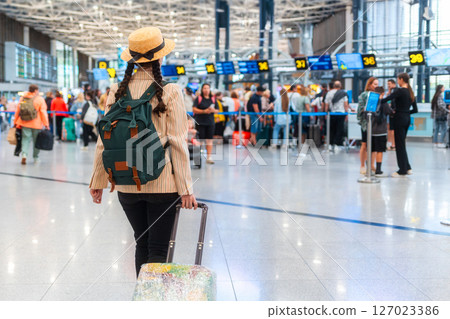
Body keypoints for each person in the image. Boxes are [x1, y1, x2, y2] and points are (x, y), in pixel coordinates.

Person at [89, 26, 197, 277]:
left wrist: (98, 180)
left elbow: (103, 141)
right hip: (162, 183)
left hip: (125, 184)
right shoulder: (169, 90)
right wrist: (187, 189)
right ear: (160, 57)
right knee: (159, 249)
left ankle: (143, 300)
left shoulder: (115, 90)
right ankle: (154, 304)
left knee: (142, 243)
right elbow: (178, 141)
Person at [381, 73, 418, 177]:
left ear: (401, 79)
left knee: (399, 145)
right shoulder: (411, 92)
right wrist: (405, 113)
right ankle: (408, 167)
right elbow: (415, 110)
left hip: (399, 120)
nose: (397, 81)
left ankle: (402, 170)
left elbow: (386, 99)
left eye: (398, 79)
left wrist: (378, 100)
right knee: (402, 144)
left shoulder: (400, 91)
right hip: (407, 119)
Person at [13, 84, 50, 165]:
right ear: (36, 90)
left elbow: (18, 111)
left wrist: (15, 122)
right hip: (36, 124)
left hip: (24, 123)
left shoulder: (23, 98)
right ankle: (35, 157)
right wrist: (46, 124)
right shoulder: (40, 99)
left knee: (25, 140)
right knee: (36, 141)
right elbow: (43, 112)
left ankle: (24, 155)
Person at [193, 83, 219, 164]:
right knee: (200, 140)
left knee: (209, 140)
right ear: (202, 89)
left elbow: (217, 110)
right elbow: (194, 109)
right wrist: (204, 111)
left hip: (210, 122)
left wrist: (212, 110)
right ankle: (198, 158)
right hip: (200, 122)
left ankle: (209, 157)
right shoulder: (199, 98)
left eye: (208, 88)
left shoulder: (213, 99)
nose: (206, 90)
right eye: (204, 88)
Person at [357, 77, 378, 174]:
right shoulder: (363, 95)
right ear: (369, 85)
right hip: (366, 123)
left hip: (375, 123)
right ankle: (362, 165)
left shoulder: (378, 95)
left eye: (377, 84)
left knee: (374, 145)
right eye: (374, 84)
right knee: (364, 144)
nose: (376, 86)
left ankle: (372, 164)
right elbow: (360, 109)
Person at [371, 86, 394, 176]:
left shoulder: (371, 102)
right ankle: (378, 170)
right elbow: (390, 112)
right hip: (381, 130)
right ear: (383, 93)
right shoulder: (384, 103)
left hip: (371, 130)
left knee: (371, 150)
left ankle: (369, 167)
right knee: (379, 150)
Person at [325, 81, 350, 151]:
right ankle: (337, 144)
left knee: (331, 129)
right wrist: (346, 114)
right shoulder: (343, 93)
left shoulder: (329, 93)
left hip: (331, 113)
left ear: (333, 86)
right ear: (340, 86)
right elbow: (345, 104)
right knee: (339, 129)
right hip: (341, 114)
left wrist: (326, 113)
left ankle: (330, 144)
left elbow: (326, 104)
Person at [386, 79, 397, 150]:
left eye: (389, 84)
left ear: (393, 83)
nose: (388, 85)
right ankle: (390, 143)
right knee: (389, 129)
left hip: (393, 112)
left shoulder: (395, 91)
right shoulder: (391, 92)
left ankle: (393, 144)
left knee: (392, 129)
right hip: (389, 112)